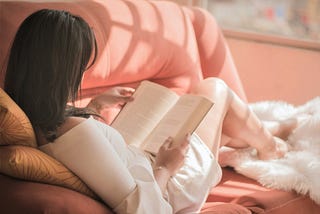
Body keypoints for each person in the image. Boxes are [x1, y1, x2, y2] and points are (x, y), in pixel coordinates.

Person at [4, 9, 294, 214]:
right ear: (63, 72)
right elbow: (143, 210)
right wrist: (167, 166)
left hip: (145, 161)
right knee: (214, 89)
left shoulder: (33, 111)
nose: (81, 75)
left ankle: (264, 134)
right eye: (80, 67)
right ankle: (271, 147)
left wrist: (94, 107)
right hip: (169, 187)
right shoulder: (72, 134)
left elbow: (88, 155)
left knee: (211, 110)